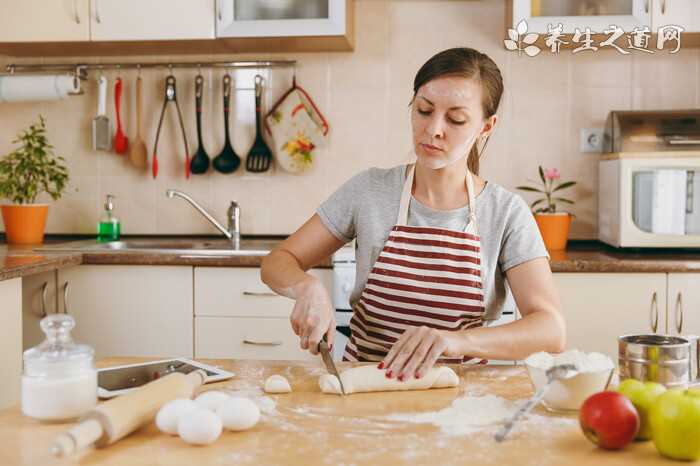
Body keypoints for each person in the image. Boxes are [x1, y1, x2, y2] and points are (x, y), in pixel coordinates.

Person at [261, 47, 565, 382]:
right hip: (364, 384)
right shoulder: (370, 190)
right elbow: (279, 260)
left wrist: (454, 341)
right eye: (424, 110)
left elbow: (550, 329)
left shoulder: (505, 212)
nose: (433, 129)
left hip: (461, 397)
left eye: (456, 119)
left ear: (486, 127)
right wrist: (307, 288)